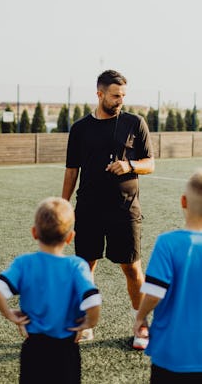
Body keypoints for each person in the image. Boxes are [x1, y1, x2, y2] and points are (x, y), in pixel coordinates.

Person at [62, 69, 155, 348]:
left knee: (132, 268)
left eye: (124, 95)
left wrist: (129, 165)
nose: (120, 100)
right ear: (99, 93)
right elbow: (71, 171)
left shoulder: (135, 123)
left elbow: (150, 163)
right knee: (86, 266)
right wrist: (63, 206)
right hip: (88, 208)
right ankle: (87, 323)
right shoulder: (80, 128)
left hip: (125, 209)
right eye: (115, 95)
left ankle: (140, 325)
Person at [0, 197, 101, 384]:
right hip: (66, 350)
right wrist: (89, 322)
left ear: (34, 233)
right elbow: (93, 300)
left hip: (34, 348)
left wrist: (10, 315)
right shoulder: (77, 266)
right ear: (70, 237)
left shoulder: (24, 263)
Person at [134, 168, 202, 383]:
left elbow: (155, 293)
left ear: (183, 202)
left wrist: (140, 316)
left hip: (170, 355)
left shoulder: (168, 243)